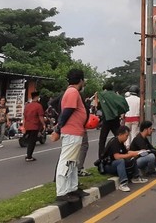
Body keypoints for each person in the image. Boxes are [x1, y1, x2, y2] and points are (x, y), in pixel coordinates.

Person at [51, 69, 89, 203]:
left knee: (72, 162)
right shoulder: (73, 92)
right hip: (72, 132)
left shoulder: (72, 92)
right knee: (66, 161)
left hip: (75, 132)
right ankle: (62, 191)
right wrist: (58, 129)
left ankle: (72, 188)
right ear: (81, 80)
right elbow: (67, 112)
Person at [103, 125, 148, 192]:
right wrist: (130, 154)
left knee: (132, 157)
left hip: (115, 164)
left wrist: (138, 152)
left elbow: (127, 152)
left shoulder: (121, 142)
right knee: (120, 161)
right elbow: (117, 156)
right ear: (121, 134)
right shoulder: (114, 142)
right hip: (108, 165)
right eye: (126, 136)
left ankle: (136, 177)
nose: (127, 138)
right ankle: (123, 183)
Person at [95, 83, 129, 159]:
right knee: (119, 137)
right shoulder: (115, 96)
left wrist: (97, 97)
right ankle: (123, 152)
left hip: (106, 120)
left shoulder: (103, 96)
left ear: (105, 89)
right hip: (115, 119)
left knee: (102, 139)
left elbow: (98, 106)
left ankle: (101, 157)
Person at [23, 92, 46, 162]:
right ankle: (29, 156)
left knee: (30, 140)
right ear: (37, 97)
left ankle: (28, 154)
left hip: (27, 125)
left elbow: (24, 116)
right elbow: (40, 116)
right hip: (34, 126)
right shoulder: (38, 106)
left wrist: (24, 125)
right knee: (32, 142)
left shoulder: (27, 106)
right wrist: (44, 124)